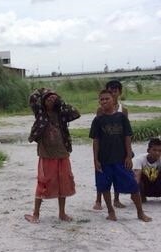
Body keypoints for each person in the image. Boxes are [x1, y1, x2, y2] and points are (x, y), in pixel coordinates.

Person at [89, 89, 151, 223]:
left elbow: (127, 137)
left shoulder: (121, 117)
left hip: (121, 160)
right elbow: (95, 141)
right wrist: (96, 160)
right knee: (104, 187)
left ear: (113, 100)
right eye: (101, 99)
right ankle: (111, 211)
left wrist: (129, 156)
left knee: (133, 186)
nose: (104, 101)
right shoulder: (98, 120)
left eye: (107, 99)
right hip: (104, 160)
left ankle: (140, 212)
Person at [25, 88, 80, 223]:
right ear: (43, 101)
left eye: (54, 99)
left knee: (64, 184)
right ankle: (35, 214)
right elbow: (32, 98)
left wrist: (60, 102)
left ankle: (62, 213)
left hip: (62, 153)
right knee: (43, 183)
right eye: (48, 98)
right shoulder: (40, 113)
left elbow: (76, 113)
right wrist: (43, 90)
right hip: (46, 155)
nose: (51, 100)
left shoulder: (61, 114)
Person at [93, 79, 129, 210]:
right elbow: (97, 131)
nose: (113, 93)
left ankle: (116, 199)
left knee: (118, 174)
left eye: (115, 91)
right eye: (110, 90)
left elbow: (126, 131)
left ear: (119, 92)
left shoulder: (123, 110)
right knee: (101, 174)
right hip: (104, 147)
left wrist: (127, 152)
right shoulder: (100, 109)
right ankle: (98, 200)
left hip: (118, 146)